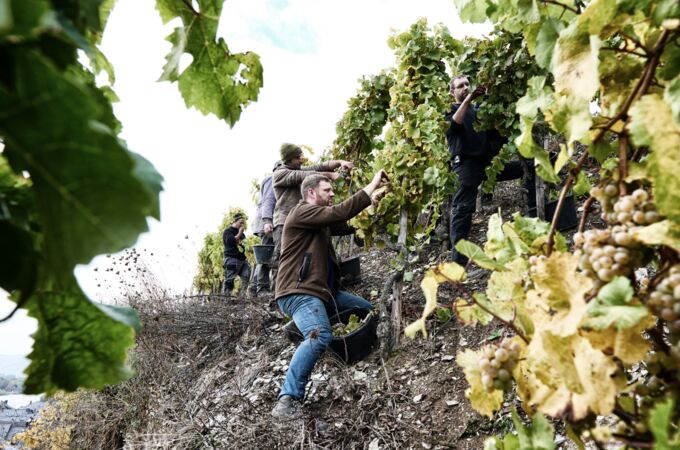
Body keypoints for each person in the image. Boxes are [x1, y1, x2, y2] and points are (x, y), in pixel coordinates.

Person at [271, 170, 388, 421]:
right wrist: (370, 185)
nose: (333, 193)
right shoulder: (302, 212)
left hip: (323, 293)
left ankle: (299, 326)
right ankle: (287, 400)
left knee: (365, 310)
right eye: (328, 190)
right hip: (298, 290)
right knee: (320, 333)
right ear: (311, 193)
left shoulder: (319, 220)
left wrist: (371, 204)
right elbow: (340, 212)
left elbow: (346, 223)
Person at [446, 75, 536, 265]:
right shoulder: (451, 110)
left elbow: (497, 135)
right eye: (460, 86)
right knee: (463, 209)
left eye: (467, 85)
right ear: (452, 92)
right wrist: (469, 99)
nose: (465, 88)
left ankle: (534, 216)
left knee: (528, 167)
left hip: (488, 165)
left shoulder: (479, 112)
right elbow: (455, 125)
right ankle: (458, 263)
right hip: (467, 165)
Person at [270, 143, 354, 290]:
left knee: (306, 258)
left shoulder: (296, 168)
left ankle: (304, 289)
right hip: (285, 222)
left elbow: (320, 166)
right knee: (283, 260)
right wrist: (330, 176)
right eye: (297, 158)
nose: (301, 160)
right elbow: (304, 176)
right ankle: (277, 295)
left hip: (306, 219)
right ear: (288, 159)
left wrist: (340, 162)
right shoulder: (280, 174)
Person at [251, 164, 277, 296]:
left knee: (264, 255)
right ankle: (262, 289)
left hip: (266, 222)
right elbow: (268, 201)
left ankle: (254, 287)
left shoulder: (270, 179)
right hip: (268, 223)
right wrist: (268, 221)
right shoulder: (272, 179)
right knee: (265, 255)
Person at [222, 213, 251, 297]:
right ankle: (226, 299)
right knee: (229, 280)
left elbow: (244, 245)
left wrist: (249, 249)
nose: (242, 225)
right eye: (240, 222)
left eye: (243, 223)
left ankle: (242, 297)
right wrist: (240, 232)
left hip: (242, 260)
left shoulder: (242, 235)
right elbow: (233, 241)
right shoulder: (227, 231)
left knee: (246, 276)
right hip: (231, 259)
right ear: (234, 222)